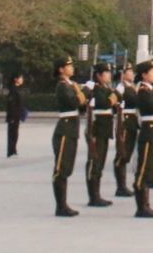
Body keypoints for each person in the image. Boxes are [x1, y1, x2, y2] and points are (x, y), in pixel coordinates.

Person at [51, 56, 86, 217]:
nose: (72, 68)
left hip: (72, 128)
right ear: (61, 69)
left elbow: (82, 106)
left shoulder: (71, 85)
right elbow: (73, 102)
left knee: (67, 167)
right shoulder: (62, 86)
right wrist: (84, 93)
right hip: (65, 129)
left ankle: (63, 204)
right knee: (61, 168)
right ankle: (61, 205)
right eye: (68, 66)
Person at [132, 57, 153, 219]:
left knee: (150, 169)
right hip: (149, 132)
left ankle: (146, 205)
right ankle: (141, 207)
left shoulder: (151, 89)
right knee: (143, 170)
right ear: (144, 75)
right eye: (152, 72)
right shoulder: (143, 91)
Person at [84, 61, 117, 207]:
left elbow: (113, 105)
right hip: (97, 130)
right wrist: (114, 98)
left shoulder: (105, 88)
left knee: (100, 163)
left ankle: (97, 194)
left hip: (104, 129)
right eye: (106, 73)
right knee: (94, 162)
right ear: (98, 75)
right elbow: (105, 103)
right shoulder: (96, 89)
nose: (109, 75)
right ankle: (93, 196)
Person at [113, 64, 139, 197]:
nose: (132, 73)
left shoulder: (131, 86)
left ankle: (122, 186)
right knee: (122, 154)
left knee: (127, 154)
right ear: (123, 74)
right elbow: (114, 103)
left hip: (132, 122)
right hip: (125, 122)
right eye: (129, 71)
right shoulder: (121, 87)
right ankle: (120, 186)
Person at [5, 72, 26, 158]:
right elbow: (11, 104)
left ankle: (14, 150)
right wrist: (11, 116)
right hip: (13, 115)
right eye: (20, 78)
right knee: (12, 134)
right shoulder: (13, 90)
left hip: (17, 115)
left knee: (15, 133)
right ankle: (10, 151)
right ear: (15, 79)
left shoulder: (19, 89)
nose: (22, 80)